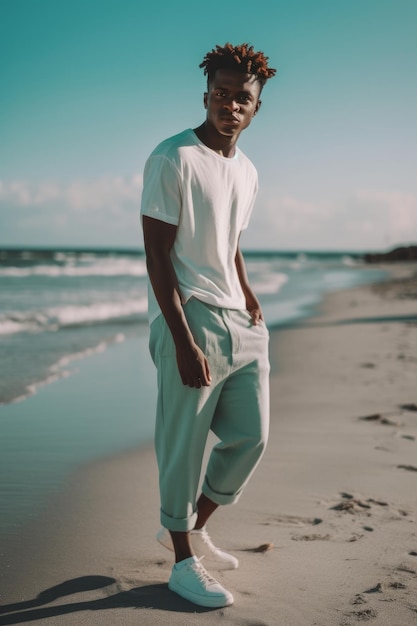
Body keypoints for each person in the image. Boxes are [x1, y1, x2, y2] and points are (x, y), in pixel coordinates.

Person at [140, 42, 276, 608]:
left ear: (256, 106)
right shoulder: (172, 158)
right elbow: (157, 257)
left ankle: (192, 527)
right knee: (183, 445)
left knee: (252, 436)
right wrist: (182, 340)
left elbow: (231, 241)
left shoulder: (246, 170)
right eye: (220, 95)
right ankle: (180, 561)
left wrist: (246, 292)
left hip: (240, 321)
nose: (230, 105)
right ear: (206, 96)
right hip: (190, 315)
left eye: (241, 98)